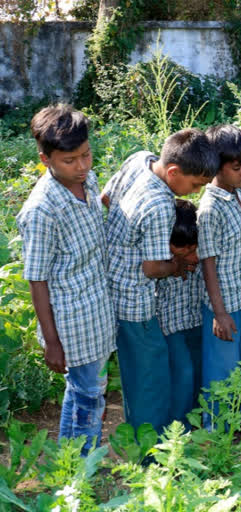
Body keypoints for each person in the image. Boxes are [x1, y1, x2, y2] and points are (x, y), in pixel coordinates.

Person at [17, 104, 115, 456]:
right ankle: (77, 466)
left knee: (91, 387)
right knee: (86, 390)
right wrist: (52, 342)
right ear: (45, 159)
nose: (82, 166)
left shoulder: (86, 180)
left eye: (86, 155)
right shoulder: (41, 211)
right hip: (70, 319)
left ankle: (75, 459)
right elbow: (37, 279)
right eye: (70, 161)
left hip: (97, 308)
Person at [104, 128, 218, 432]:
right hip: (134, 301)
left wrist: (123, 242)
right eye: (194, 185)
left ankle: (152, 439)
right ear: (173, 171)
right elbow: (152, 268)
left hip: (113, 285)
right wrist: (177, 264)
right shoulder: (159, 205)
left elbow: (105, 198)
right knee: (149, 379)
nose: (195, 193)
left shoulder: (140, 160)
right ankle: (150, 452)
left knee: (143, 372)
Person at [198, 124, 241, 426]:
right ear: (215, 167)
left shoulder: (238, 194)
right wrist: (218, 312)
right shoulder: (210, 209)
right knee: (222, 370)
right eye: (237, 168)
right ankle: (217, 429)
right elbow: (208, 264)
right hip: (224, 306)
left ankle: (237, 422)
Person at [155, 199, 203, 426]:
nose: (189, 253)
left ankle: (193, 422)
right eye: (181, 248)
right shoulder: (160, 258)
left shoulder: (197, 249)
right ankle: (176, 428)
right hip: (170, 325)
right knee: (183, 373)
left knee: (197, 371)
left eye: (192, 248)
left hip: (196, 319)